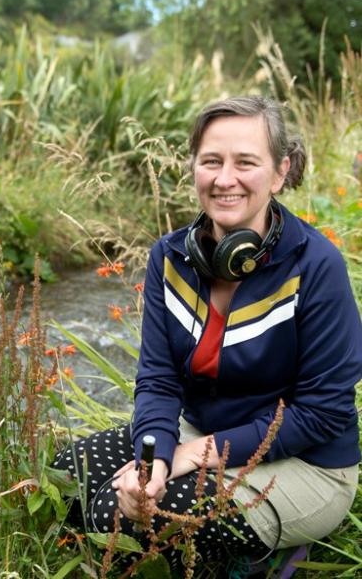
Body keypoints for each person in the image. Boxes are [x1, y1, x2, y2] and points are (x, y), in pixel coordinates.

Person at [53, 96, 362, 572]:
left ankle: (254, 556)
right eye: (211, 161)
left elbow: (322, 415)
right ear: (193, 167)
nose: (224, 179)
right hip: (198, 435)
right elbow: (157, 379)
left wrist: (194, 454)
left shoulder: (317, 266)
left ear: (280, 173)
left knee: (123, 518)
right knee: (66, 475)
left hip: (304, 464)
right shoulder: (170, 258)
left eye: (246, 163)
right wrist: (153, 459)